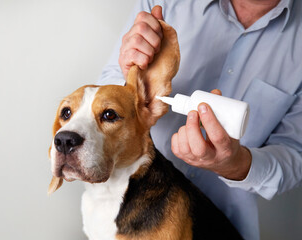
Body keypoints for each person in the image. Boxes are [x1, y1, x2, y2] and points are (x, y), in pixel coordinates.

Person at [97, 0, 302, 239]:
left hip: (219, 230)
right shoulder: (164, 4)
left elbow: (295, 156)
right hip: (125, 212)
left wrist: (237, 165)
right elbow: (102, 96)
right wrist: (130, 86)